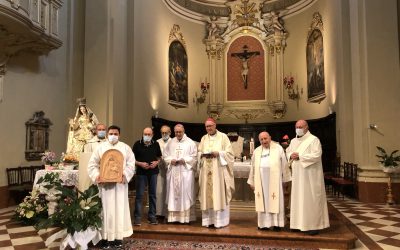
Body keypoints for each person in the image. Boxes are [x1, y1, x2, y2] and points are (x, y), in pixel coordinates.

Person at [87, 125, 135, 249]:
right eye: (111, 133)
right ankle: (105, 238)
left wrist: (124, 175)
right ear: (108, 134)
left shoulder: (125, 148)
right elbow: (92, 165)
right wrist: (98, 176)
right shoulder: (100, 148)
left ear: (119, 135)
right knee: (105, 211)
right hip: (105, 186)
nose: (113, 135)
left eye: (116, 133)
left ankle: (118, 238)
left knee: (119, 210)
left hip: (119, 186)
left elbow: (131, 165)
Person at [286, 119, 330, 235]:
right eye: (297, 127)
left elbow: (316, 155)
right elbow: (288, 151)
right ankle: (297, 224)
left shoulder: (313, 140)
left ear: (307, 127)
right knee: (298, 198)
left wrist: (300, 156)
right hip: (297, 176)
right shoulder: (294, 141)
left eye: (300, 126)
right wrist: (291, 154)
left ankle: (313, 225)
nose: (298, 129)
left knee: (310, 199)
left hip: (310, 175)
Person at [247, 132, 291, 230]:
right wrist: (252, 181)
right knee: (263, 202)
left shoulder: (278, 148)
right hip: (261, 181)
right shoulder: (257, 151)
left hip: (275, 180)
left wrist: (286, 179)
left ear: (270, 138)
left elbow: (284, 164)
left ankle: (276, 224)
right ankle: (263, 224)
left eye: (265, 138)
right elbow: (253, 167)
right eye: (261, 139)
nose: (264, 141)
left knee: (275, 201)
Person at [198, 118, 235, 228]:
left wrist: (218, 153)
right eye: (207, 126)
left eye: (210, 126)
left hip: (218, 171)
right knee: (207, 195)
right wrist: (201, 154)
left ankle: (220, 221)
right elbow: (199, 151)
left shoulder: (223, 137)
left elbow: (230, 154)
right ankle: (208, 221)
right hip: (206, 171)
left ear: (215, 125)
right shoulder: (204, 138)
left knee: (218, 194)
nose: (208, 128)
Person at [163, 124, 197, 223]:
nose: (178, 134)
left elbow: (194, 157)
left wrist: (185, 160)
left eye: (180, 132)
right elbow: (165, 156)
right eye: (176, 132)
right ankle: (173, 218)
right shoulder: (170, 142)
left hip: (185, 173)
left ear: (183, 131)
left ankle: (185, 218)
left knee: (185, 194)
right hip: (173, 171)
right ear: (174, 132)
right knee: (173, 194)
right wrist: (170, 160)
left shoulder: (190, 142)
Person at [133, 127, 162, 226]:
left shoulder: (156, 144)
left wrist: (156, 162)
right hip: (141, 173)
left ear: (152, 135)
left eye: (149, 134)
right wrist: (140, 163)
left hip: (153, 172)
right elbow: (131, 159)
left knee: (153, 195)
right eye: (145, 134)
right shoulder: (137, 144)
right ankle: (137, 217)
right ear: (142, 134)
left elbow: (159, 157)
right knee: (139, 196)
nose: (147, 136)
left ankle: (152, 216)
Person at [79, 123, 107, 192]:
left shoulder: (109, 143)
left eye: (103, 129)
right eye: (99, 129)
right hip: (94, 172)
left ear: (106, 131)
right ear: (96, 131)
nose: (101, 131)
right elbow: (86, 159)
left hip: (107, 171)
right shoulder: (89, 144)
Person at [156, 125, 172, 220]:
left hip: (170, 170)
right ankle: (159, 212)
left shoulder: (173, 142)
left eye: (166, 133)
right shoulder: (157, 142)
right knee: (159, 191)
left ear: (170, 132)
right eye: (162, 133)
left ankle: (168, 212)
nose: (164, 134)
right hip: (159, 170)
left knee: (169, 191)